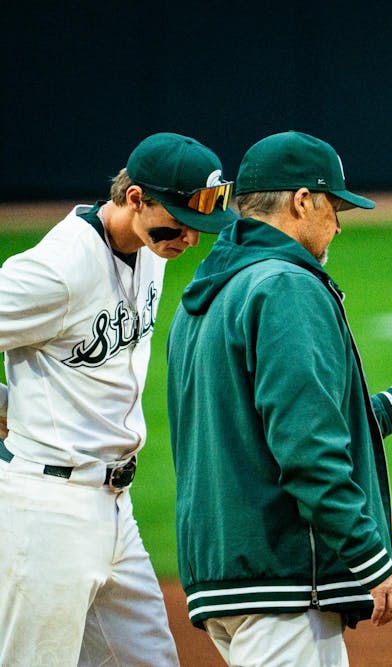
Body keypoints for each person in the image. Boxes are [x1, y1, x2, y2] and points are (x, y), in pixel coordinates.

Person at [165, 130, 392, 666]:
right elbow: (306, 450)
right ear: (302, 200)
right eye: (335, 206)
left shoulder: (205, 296)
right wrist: (373, 561)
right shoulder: (286, 285)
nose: (339, 224)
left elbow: (260, 429)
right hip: (282, 579)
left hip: (225, 574)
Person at [0, 132, 236, 665]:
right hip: (47, 509)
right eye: (178, 221)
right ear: (135, 198)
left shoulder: (150, 247)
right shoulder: (59, 269)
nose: (189, 240)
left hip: (114, 509)